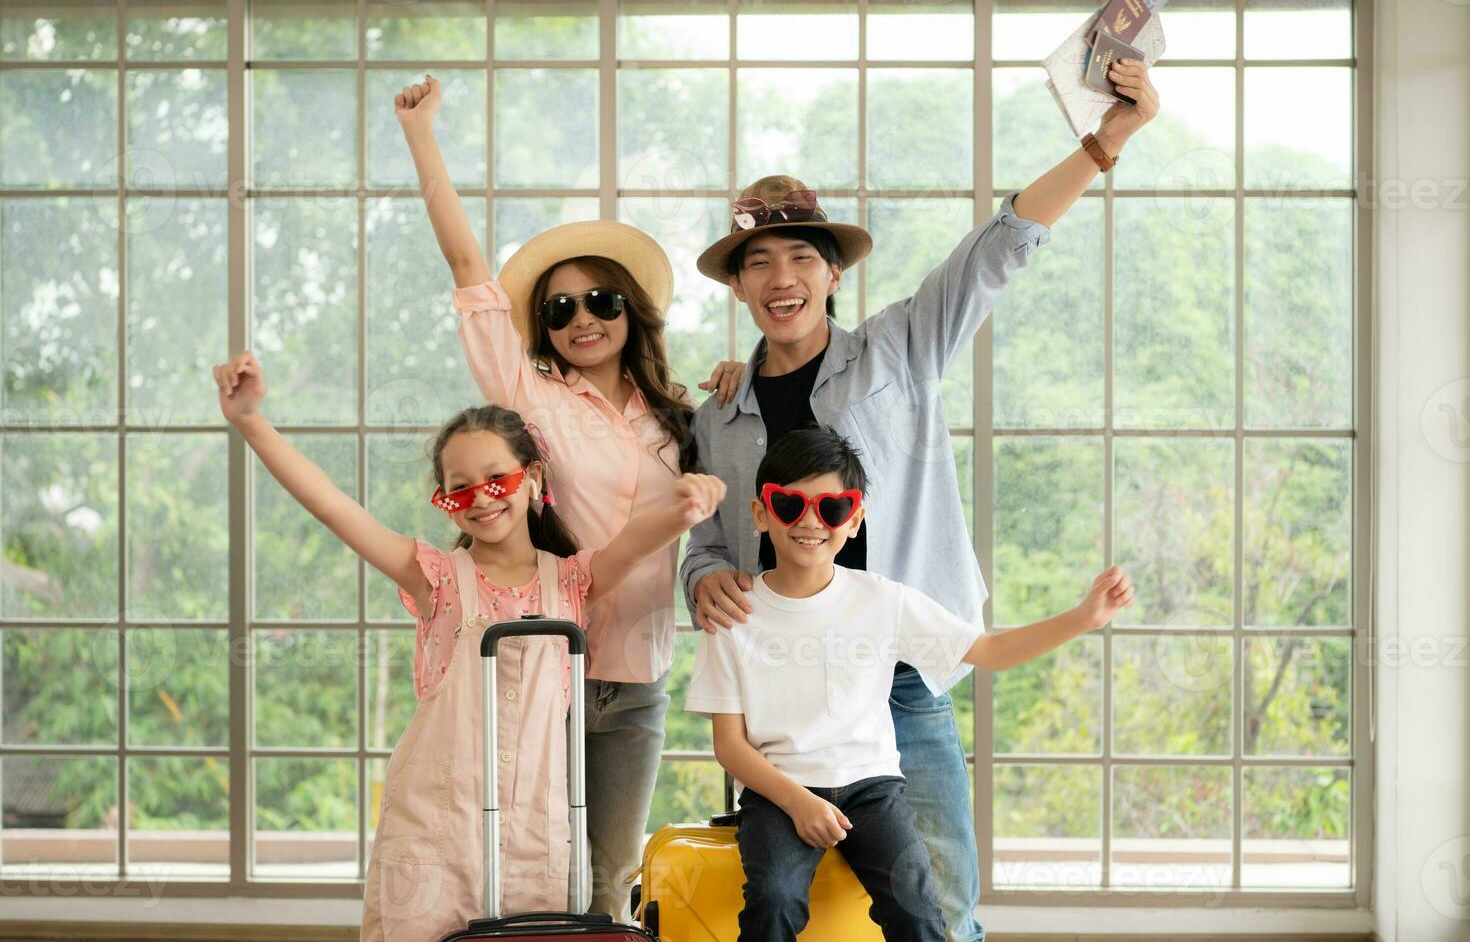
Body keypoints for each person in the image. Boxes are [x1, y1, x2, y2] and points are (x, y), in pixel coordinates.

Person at [680, 62, 1159, 939]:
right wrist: (702, 576)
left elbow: (999, 246)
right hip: (781, 708)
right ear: (739, 287)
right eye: (759, 263)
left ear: (831, 275)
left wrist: (1104, 143)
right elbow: (707, 537)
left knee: (939, 903)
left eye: (800, 258)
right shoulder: (719, 413)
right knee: (786, 907)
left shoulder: (901, 347)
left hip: (902, 677)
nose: (780, 277)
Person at [211, 350, 725, 941]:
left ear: (532, 480)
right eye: (460, 490)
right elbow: (333, 507)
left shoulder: (572, 580)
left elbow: (633, 543)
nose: (481, 498)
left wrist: (683, 509)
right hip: (435, 825)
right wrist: (251, 420)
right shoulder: (434, 576)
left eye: (497, 480)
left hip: (536, 828)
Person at [394, 74, 743, 918]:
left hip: (638, 683)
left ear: (634, 309)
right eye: (559, 308)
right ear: (542, 327)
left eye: (601, 300)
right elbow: (469, 269)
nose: (582, 318)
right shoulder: (531, 399)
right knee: (526, 870)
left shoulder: (684, 416)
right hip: (539, 669)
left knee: (610, 880)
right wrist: (422, 136)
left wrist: (746, 377)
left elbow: (743, 484)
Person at [687, 427, 1133, 941]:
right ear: (761, 512)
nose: (810, 521)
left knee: (919, 907)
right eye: (790, 504)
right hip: (778, 793)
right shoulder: (732, 614)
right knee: (774, 899)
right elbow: (729, 745)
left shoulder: (883, 601)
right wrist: (798, 803)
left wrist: (1082, 618)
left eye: (832, 508)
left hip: (873, 791)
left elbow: (987, 651)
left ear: (854, 521)